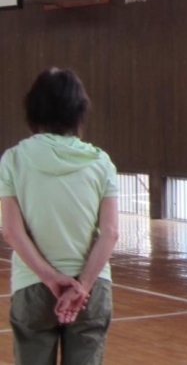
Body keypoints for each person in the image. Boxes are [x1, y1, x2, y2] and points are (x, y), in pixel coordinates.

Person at [0, 68, 119, 365]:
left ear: (33, 109)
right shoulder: (101, 161)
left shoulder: (13, 159)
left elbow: (12, 232)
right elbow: (111, 233)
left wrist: (52, 278)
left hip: (32, 285)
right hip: (92, 289)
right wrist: (83, 287)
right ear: (79, 111)